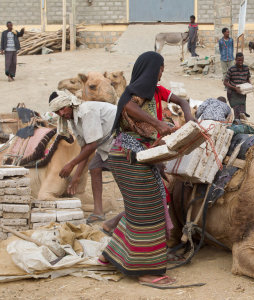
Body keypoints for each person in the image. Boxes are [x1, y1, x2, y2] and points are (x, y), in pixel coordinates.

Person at [98, 51, 193, 287]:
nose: (162, 72)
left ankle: (109, 256)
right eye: (160, 68)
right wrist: (159, 124)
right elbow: (127, 106)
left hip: (132, 156)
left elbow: (179, 103)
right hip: (130, 157)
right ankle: (147, 270)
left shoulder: (148, 92)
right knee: (150, 212)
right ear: (152, 69)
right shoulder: (138, 92)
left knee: (137, 210)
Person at [48, 90, 117, 224]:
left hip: (119, 138)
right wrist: (76, 177)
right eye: (57, 112)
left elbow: (91, 146)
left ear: (69, 104)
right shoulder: (73, 120)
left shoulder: (86, 111)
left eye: (62, 108)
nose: (61, 113)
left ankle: (132, 210)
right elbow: (84, 147)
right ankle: (98, 212)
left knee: (121, 172)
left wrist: (71, 164)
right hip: (105, 144)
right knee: (95, 167)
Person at [224, 52, 251, 120]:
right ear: (235, 60)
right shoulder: (231, 69)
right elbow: (225, 82)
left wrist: (249, 87)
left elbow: (248, 79)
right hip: (233, 94)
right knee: (237, 112)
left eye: (242, 60)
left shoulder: (246, 68)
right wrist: (235, 88)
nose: (240, 62)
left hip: (242, 94)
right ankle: (237, 126)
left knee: (242, 113)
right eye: (239, 60)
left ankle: (241, 126)